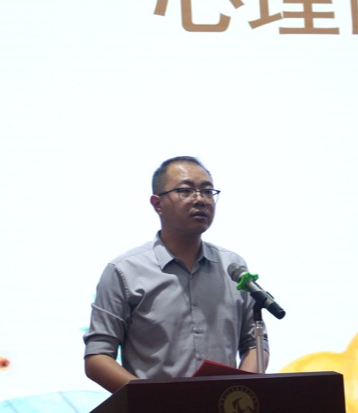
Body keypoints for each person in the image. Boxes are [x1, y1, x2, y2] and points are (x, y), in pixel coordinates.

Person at [83, 156, 269, 392]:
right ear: (157, 204)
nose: (200, 199)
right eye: (185, 191)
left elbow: (255, 343)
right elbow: (98, 357)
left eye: (207, 191)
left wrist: (239, 391)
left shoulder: (233, 267)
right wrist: (152, 399)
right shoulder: (123, 271)